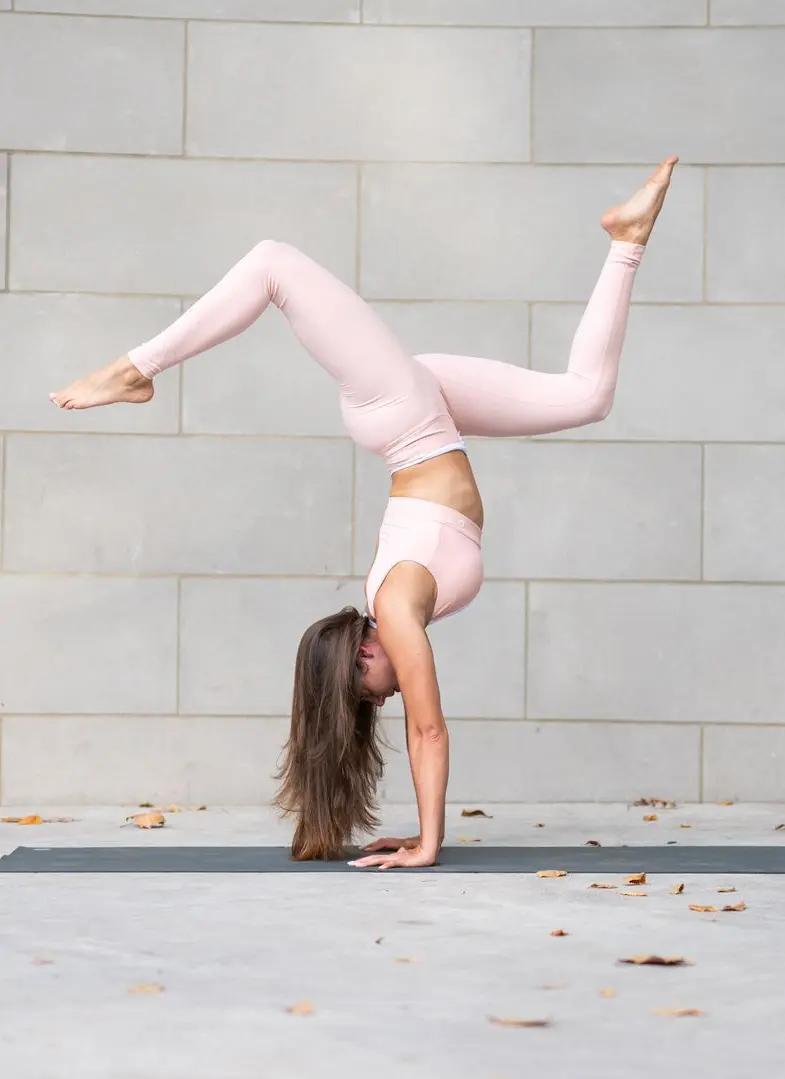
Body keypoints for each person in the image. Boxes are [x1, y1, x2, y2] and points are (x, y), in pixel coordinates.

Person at [50, 156, 678, 869]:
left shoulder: (395, 608)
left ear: (362, 660)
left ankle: (136, 369)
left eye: (365, 698)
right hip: (425, 407)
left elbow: (428, 730)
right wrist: (415, 834)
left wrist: (429, 843)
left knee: (272, 264)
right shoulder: (399, 608)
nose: (382, 700)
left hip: (403, 413)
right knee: (584, 396)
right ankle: (626, 237)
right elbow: (421, 723)